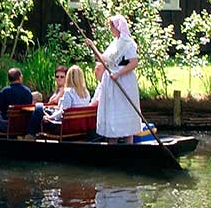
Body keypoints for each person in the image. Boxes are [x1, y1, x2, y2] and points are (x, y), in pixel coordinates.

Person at [85, 15, 144, 144]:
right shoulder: (114, 43)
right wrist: (93, 47)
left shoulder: (127, 43)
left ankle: (129, 144)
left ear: (117, 27)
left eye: (111, 26)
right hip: (111, 82)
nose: (110, 29)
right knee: (112, 112)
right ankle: (112, 143)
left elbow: (134, 63)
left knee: (124, 110)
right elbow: (104, 60)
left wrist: (118, 74)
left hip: (124, 81)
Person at [25, 65, 91, 138]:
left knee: (38, 107)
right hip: (80, 126)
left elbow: (62, 112)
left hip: (64, 127)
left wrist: (50, 117)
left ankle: (30, 134)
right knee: (41, 110)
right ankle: (31, 135)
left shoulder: (68, 92)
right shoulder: (86, 92)